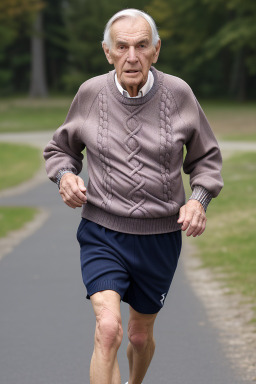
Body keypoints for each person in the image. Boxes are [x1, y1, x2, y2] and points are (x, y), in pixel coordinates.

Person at [43, 8, 223, 384]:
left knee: (139, 336)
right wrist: (64, 176)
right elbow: (60, 150)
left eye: (142, 46)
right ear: (107, 51)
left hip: (159, 238)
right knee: (108, 328)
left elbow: (206, 158)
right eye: (122, 46)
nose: (132, 56)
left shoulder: (180, 94)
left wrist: (198, 200)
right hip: (103, 231)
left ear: (156, 50)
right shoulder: (90, 93)